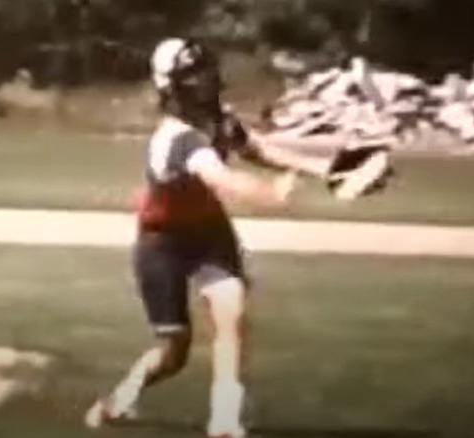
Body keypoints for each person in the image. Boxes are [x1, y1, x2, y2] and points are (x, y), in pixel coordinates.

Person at [84, 37, 333, 438]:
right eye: (192, 74)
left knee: (231, 316)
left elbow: (258, 149)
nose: (205, 79)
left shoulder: (219, 119)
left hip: (209, 233)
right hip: (162, 245)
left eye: (205, 70)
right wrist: (273, 195)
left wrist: (324, 168)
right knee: (173, 352)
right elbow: (225, 181)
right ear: (173, 86)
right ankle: (121, 396)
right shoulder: (176, 138)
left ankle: (224, 421)